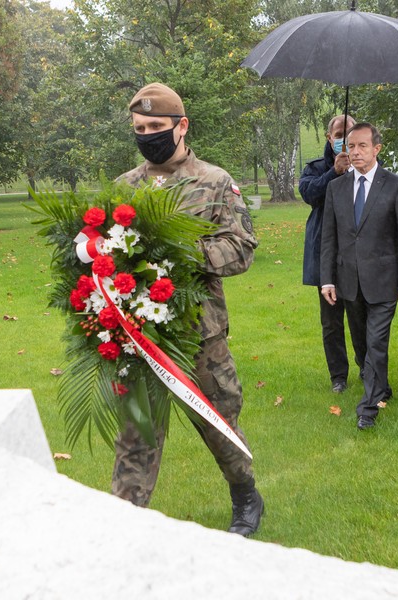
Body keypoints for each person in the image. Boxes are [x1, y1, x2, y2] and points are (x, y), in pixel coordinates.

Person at [116, 82, 263, 535]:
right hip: (140, 335)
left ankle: (245, 496)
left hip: (200, 335)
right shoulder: (125, 187)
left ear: (181, 126)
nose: (147, 135)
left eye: (156, 126)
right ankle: (123, 522)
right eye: (140, 128)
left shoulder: (215, 182)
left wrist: (182, 251)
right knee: (136, 435)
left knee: (219, 426)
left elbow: (241, 248)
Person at [320, 122, 398, 430]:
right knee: (362, 344)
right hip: (349, 281)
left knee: (376, 341)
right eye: (351, 146)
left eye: (363, 146)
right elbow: (329, 238)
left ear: (377, 149)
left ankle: (368, 407)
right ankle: (380, 385)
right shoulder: (336, 188)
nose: (356, 152)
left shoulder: (396, 186)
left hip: (384, 280)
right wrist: (327, 279)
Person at [299, 114, 367, 394]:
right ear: (329, 137)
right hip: (324, 254)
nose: (344, 137)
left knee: (359, 316)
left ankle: (367, 367)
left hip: (357, 255)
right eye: (339, 133)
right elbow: (308, 194)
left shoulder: (366, 165)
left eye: (350, 132)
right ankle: (338, 375)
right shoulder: (315, 168)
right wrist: (333, 173)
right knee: (331, 321)